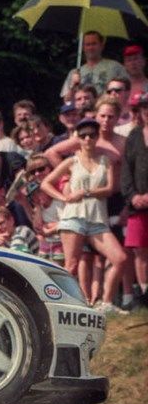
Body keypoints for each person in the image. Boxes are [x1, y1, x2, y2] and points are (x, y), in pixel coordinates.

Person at [40, 118, 129, 314]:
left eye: (92, 134)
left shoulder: (106, 160)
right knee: (70, 265)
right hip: (74, 217)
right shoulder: (72, 161)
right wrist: (64, 197)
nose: (87, 138)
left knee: (120, 258)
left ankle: (105, 303)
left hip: (98, 220)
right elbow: (45, 183)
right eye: (83, 135)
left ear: (97, 137)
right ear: (78, 138)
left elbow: (109, 189)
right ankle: (56, 305)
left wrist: (85, 193)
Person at [120, 92, 148, 307]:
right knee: (139, 250)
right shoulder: (134, 136)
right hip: (137, 203)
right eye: (144, 107)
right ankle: (145, 293)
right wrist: (132, 196)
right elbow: (126, 170)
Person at [61, 31, 128, 102]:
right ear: (83, 47)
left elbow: (128, 91)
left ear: (102, 45)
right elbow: (67, 101)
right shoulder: (75, 72)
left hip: (107, 111)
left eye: (94, 44)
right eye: (88, 44)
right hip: (83, 112)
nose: (91, 47)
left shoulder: (115, 67)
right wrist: (73, 86)